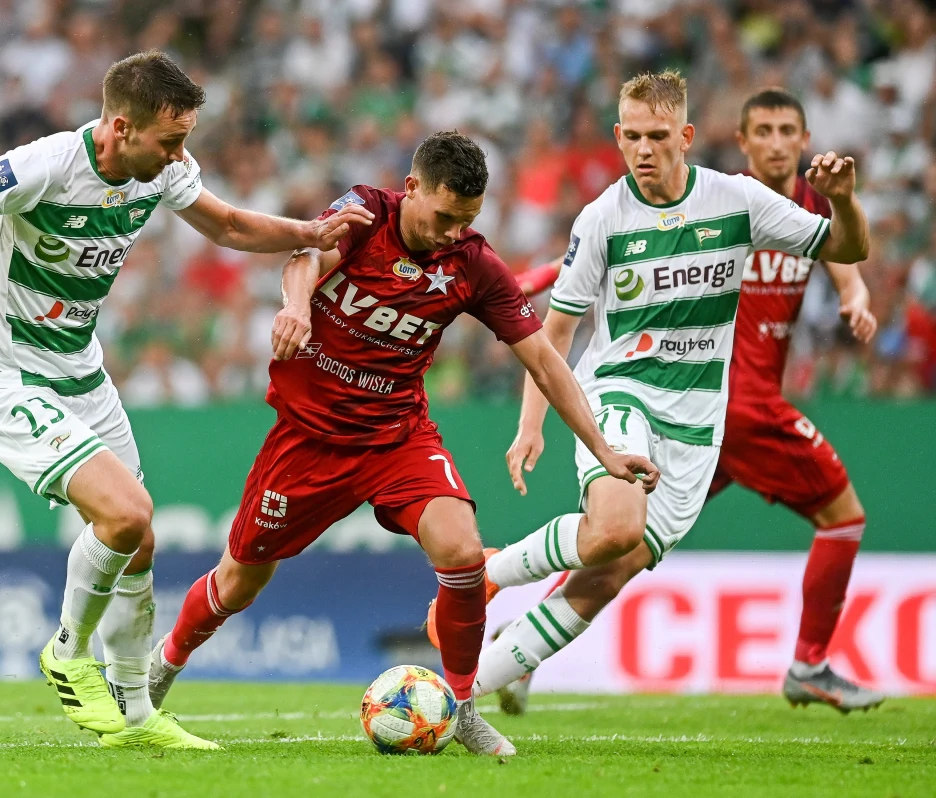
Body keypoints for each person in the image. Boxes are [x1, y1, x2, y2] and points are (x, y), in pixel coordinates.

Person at [0, 50, 372, 750]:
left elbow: (227, 225)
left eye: (185, 140)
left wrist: (307, 235)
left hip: (82, 377)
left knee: (140, 541)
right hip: (5, 377)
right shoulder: (43, 166)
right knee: (127, 513)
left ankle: (137, 717)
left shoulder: (163, 169)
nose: (180, 155)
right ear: (119, 126)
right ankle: (67, 651)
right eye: (169, 140)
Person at [144, 131, 660, 757]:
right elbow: (305, 254)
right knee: (240, 581)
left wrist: (605, 453)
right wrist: (298, 308)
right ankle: (163, 665)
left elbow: (547, 363)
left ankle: (463, 706)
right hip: (309, 439)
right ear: (412, 188)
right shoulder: (363, 213)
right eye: (444, 216)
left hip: (398, 437)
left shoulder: (473, 264)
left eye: (465, 220)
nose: (451, 232)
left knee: (463, 552)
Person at [438, 71, 869, 712]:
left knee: (610, 569)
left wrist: (844, 202)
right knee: (614, 525)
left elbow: (846, 245)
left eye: (658, 136)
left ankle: (456, 700)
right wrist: (532, 423)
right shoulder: (603, 217)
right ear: (618, 136)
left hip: (697, 428)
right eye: (632, 136)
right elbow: (551, 332)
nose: (643, 149)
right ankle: (481, 576)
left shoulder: (737, 200)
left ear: (686, 136)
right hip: (619, 395)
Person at [709, 88, 882, 712]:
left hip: (715, 417)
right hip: (742, 403)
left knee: (626, 538)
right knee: (845, 516)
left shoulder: (812, 204)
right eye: (765, 130)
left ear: (805, 139)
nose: (778, 141)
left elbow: (840, 252)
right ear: (743, 140)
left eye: (788, 129)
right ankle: (809, 663)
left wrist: (855, 294)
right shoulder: (722, 200)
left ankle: (521, 642)